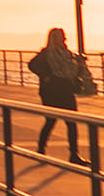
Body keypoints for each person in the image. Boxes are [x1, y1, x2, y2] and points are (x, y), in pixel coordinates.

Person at [28, 27, 83, 164]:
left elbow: (72, 70)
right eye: (61, 36)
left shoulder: (67, 54)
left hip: (66, 90)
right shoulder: (46, 54)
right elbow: (32, 65)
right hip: (52, 92)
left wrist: (79, 64)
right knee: (51, 120)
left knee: (71, 123)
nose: (64, 38)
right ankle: (41, 149)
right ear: (54, 38)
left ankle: (74, 154)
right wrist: (46, 76)